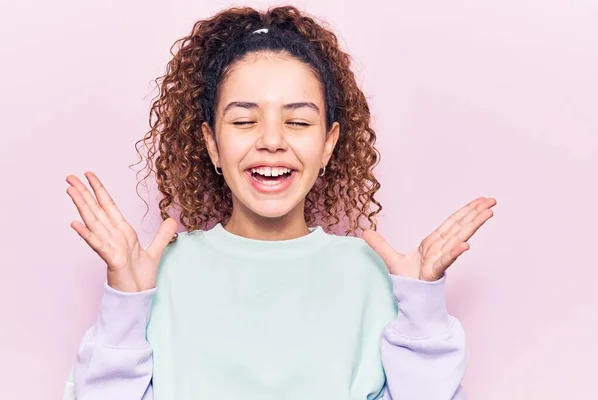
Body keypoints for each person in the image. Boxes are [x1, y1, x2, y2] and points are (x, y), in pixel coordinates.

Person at [62, 5, 496, 400]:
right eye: (245, 120)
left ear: (328, 144)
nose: (272, 141)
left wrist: (421, 313)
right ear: (212, 144)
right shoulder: (154, 278)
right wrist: (124, 305)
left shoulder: (378, 277)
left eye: (298, 121)